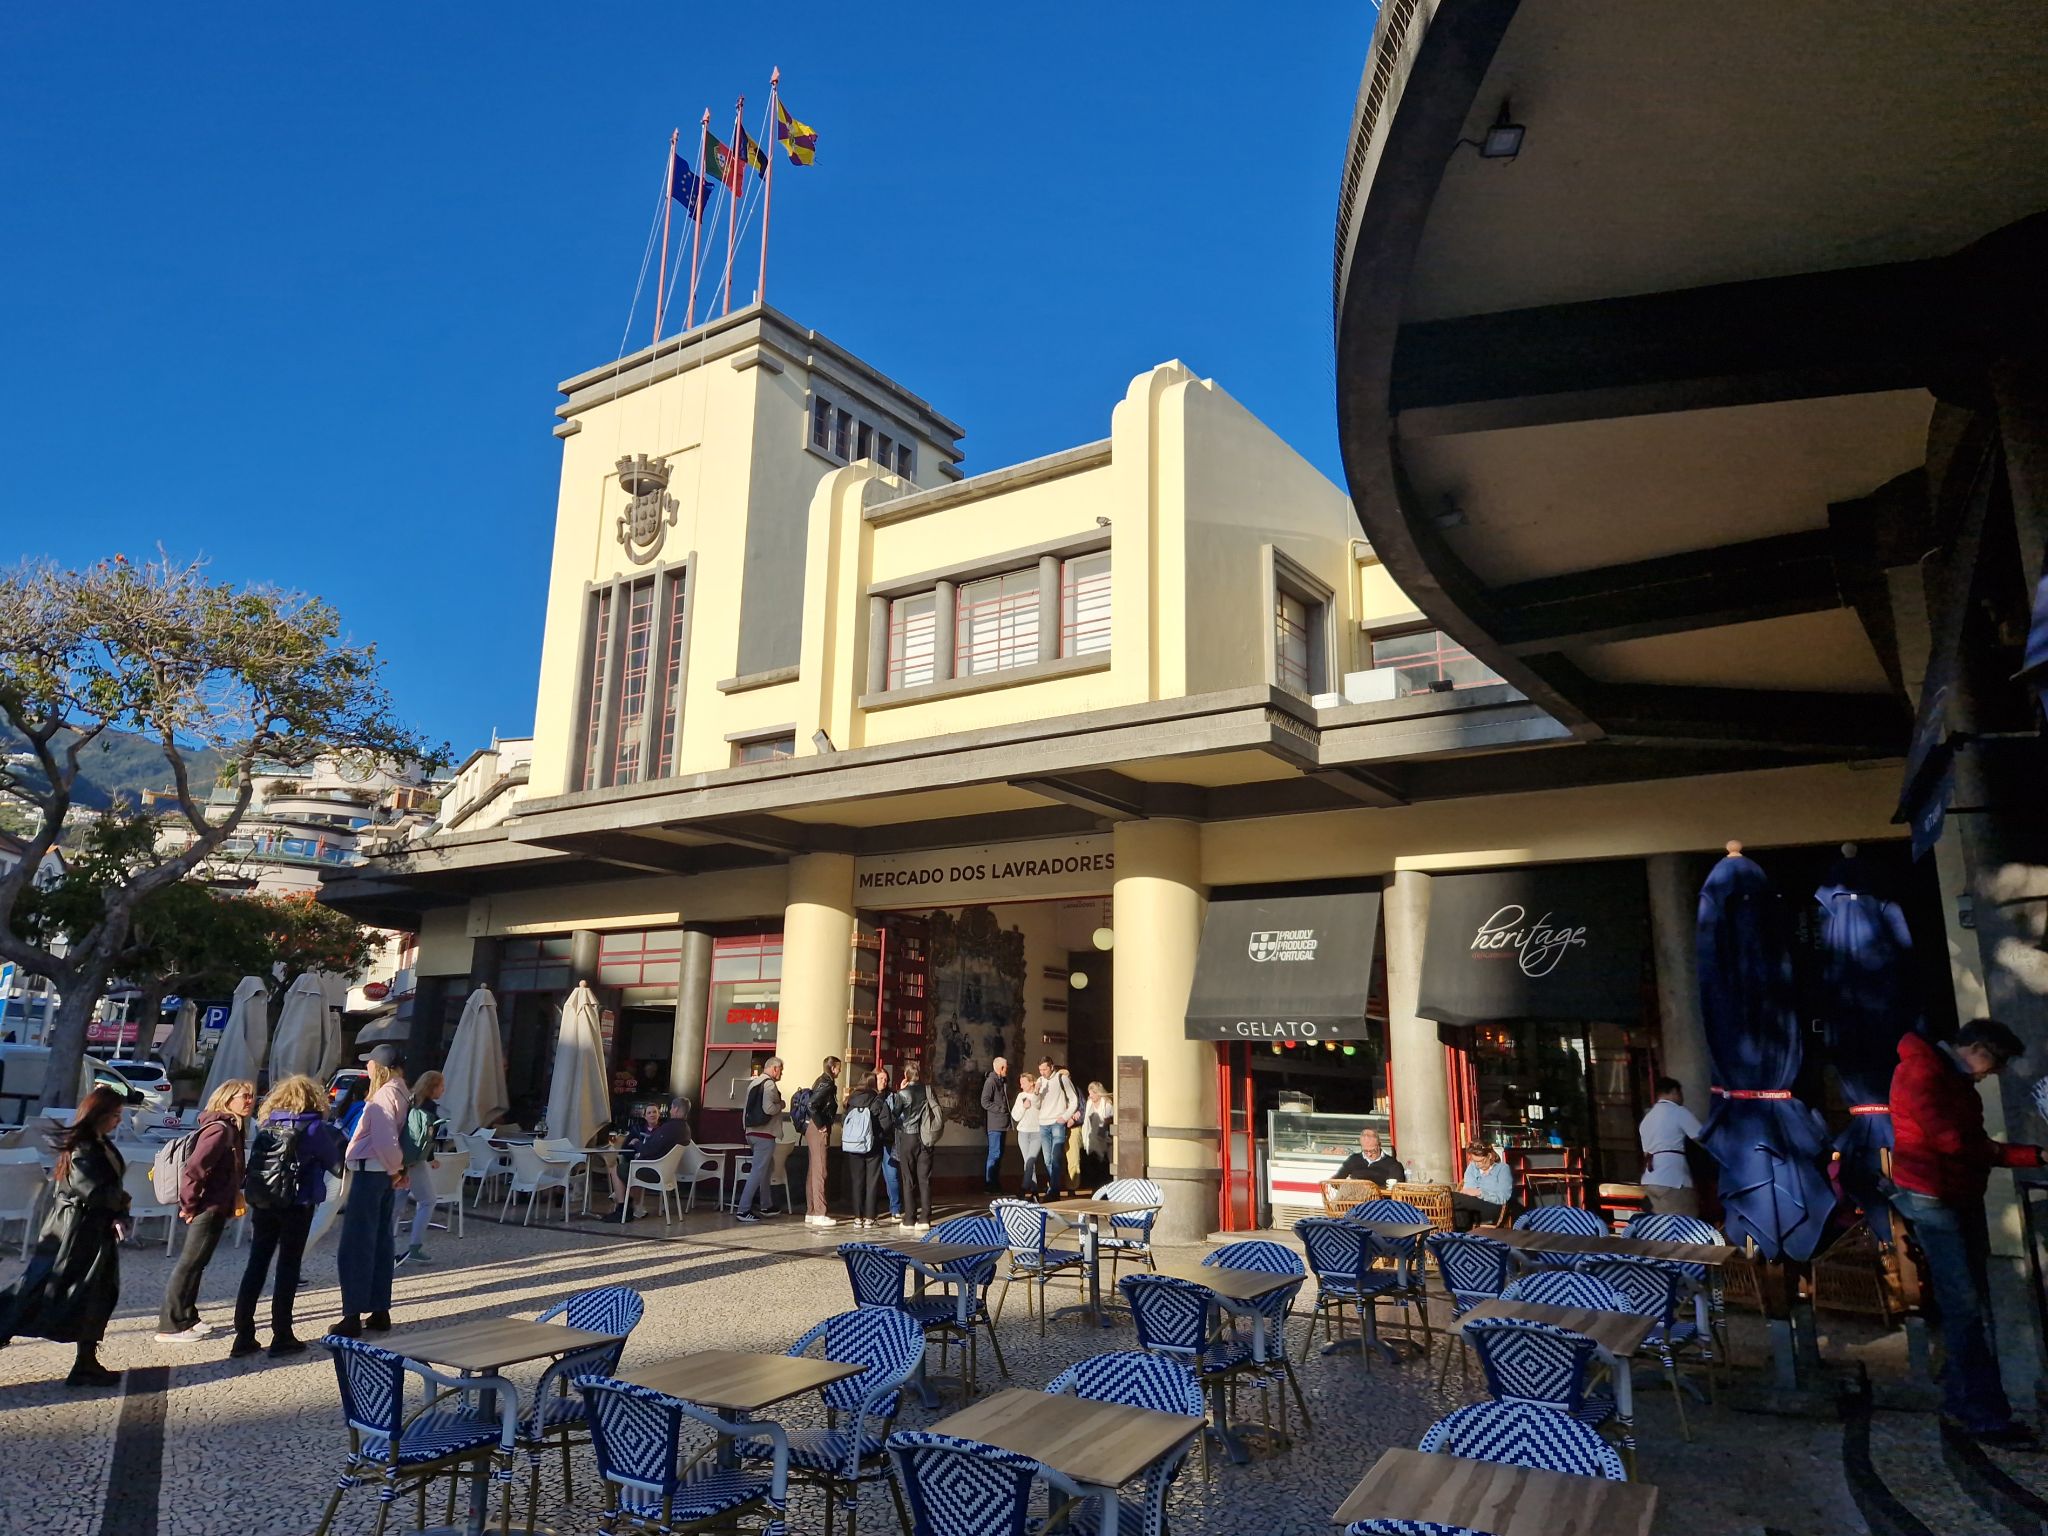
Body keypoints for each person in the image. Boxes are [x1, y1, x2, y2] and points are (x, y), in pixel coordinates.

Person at [1892, 1018, 2044, 1446]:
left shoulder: (1945, 1076)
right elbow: (1954, 1142)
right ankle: (1982, 1415)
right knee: (1963, 1307)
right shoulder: (1923, 1072)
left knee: (1966, 1304)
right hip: (1934, 1199)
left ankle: (1964, 1400)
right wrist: (2029, 1155)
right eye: (1994, 1063)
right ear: (1975, 1047)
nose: (1992, 1074)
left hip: (1952, 1197)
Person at [0, 1086, 132, 1385]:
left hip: (93, 1232)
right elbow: (94, 1191)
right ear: (99, 1114)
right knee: (38, 1291)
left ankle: (86, 1363)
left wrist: (119, 1208)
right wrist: (121, 1203)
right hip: (74, 1233)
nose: (118, 1121)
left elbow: (105, 1189)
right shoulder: (83, 1148)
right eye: (115, 1115)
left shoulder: (98, 1143)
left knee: (96, 1293)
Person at [233, 1073, 345, 1358]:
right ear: (312, 1098)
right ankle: (282, 1335)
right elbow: (335, 1165)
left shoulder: (267, 1125)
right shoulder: (313, 1128)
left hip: (265, 1202)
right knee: (287, 1268)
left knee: (256, 1265)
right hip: (297, 1204)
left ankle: (244, 1336)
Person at [155, 1078, 254, 1342]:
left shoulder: (233, 1129)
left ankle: (188, 1315)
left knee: (199, 1262)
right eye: (243, 1096)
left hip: (218, 1203)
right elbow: (194, 1168)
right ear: (227, 1099)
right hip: (207, 1205)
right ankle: (170, 1324)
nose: (249, 1101)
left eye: (251, 1096)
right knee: (189, 1263)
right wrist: (189, 1204)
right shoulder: (220, 1130)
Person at [335, 1044, 410, 1337]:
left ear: (380, 1067)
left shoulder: (382, 1096)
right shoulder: (402, 1091)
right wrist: (397, 1171)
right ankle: (380, 1309)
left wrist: (394, 1169)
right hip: (385, 1175)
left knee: (356, 1245)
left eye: (369, 1064)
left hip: (371, 1173)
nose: (366, 1067)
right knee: (380, 1242)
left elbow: (384, 1138)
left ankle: (352, 1314)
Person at [608, 1095, 694, 1221]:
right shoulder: (685, 1129)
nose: (670, 1111)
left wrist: (637, 1144)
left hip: (653, 1171)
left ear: (675, 1109)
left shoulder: (669, 1128)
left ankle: (623, 1210)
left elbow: (648, 1150)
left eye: (671, 1108)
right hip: (667, 1172)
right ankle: (629, 1202)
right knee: (630, 1167)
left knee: (615, 1169)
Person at [396, 1070, 444, 1266]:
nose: (444, 1089)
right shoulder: (430, 1107)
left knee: (395, 1205)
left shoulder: (409, 1100)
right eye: (441, 1086)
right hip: (415, 1160)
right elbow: (427, 1138)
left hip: (399, 1157)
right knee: (428, 1200)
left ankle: (385, 1246)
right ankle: (415, 1247)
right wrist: (431, 1158)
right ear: (432, 1087)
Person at [1638, 1076, 1705, 1216]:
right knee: (1685, 1225)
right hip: (1673, 1178)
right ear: (1674, 1092)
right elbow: (1702, 1137)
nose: (1682, 1099)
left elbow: (1647, 1152)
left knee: (1663, 1228)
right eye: (1681, 1094)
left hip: (1651, 1179)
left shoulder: (1647, 1118)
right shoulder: (1677, 1111)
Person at [840, 1070, 893, 1228]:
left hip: (853, 1145)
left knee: (857, 1181)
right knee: (872, 1181)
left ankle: (857, 1217)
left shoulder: (850, 1100)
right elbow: (887, 1122)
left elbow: (844, 1120)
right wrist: (879, 1134)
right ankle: (870, 1218)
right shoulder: (877, 1100)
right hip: (873, 1145)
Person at [734, 1063, 785, 1224]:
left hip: (752, 1132)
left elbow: (746, 1109)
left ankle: (766, 1205)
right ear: (774, 1068)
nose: (781, 1073)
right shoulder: (769, 1084)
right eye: (781, 1070)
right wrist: (781, 1105)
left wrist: (746, 1129)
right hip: (764, 1133)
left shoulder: (754, 1083)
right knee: (758, 1171)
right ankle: (743, 1209)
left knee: (765, 1169)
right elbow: (769, 1108)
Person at [891, 1061, 937, 1230]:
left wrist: (899, 1091)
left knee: (908, 1179)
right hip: (925, 1138)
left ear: (906, 1076)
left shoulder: (904, 1093)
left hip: (908, 1137)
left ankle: (909, 1219)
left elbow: (895, 1114)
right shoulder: (928, 1090)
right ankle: (925, 1218)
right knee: (924, 1179)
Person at [804, 1056, 843, 1228]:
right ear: (833, 1068)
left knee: (813, 1170)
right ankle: (820, 1213)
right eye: (838, 1067)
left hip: (811, 1128)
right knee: (820, 1170)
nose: (840, 1071)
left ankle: (812, 1211)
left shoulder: (820, 1081)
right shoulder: (827, 1084)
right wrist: (821, 1126)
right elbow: (812, 1104)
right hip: (817, 1128)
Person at [1035, 1057, 1080, 1200]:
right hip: (1043, 1122)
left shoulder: (1062, 1079)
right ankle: (1053, 1188)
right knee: (1047, 1159)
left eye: (1045, 1069)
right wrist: (1036, 1093)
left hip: (1057, 1122)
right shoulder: (1040, 1081)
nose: (1042, 1073)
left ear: (1051, 1067)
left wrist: (1065, 1116)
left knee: (1056, 1157)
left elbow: (1074, 1099)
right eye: (1040, 1070)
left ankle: (1054, 1191)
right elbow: (1036, 1105)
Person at [1449, 1142, 1514, 1230]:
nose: (1477, 1164)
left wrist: (1480, 1193)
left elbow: (1503, 1197)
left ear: (1489, 1156)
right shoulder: (1472, 1167)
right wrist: (1472, 1192)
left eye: (1480, 1161)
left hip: (1494, 1207)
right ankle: (1462, 1238)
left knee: (1452, 1197)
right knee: (1458, 1210)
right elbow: (1468, 1190)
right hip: (1472, 1206)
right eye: (1474, 1161)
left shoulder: (1503, 1169)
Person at [875, 1064, 903, 1224]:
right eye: (881, 1079)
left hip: (888, 1140)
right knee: (870, 1177)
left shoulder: (892, 1096)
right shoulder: (869, 1095)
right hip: (871, 1141)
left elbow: (899, 1115)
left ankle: (895, 1209)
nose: (884, 1082)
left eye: (886, 1079)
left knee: (892, 1176)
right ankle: (870, 1211)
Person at [980, 1056, 1012, 1193]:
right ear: (1001, 1068)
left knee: (999, 1154)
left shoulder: (1002, 1081)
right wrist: (1000, 1109)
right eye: (1006, 1067)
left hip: (1003, 1124)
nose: (1007, 1070)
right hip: (995, 1125)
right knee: (994, 1154)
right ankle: (989, 1184)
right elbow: (984, 1101)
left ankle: (995, 1183)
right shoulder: (991, 1082)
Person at [1012, 1071, 1045, 1199]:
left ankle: (1023, 1188)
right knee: (1028, 1162)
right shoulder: (1021, 1096)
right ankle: (1035, 1190)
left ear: (1032, 1083)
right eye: (1020, 1083)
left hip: (1037, 1132)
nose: (1021, 1086)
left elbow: (1040, 1108)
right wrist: (1023, 1107)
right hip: (1023, 1133)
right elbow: (1015, 1116)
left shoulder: (1039, 1095)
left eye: (1024, 1083)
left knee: (1030, 1161)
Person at [1334, 1127, 1405, 1186]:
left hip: (1377, 1200)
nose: (1369, 1154)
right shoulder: (1353, 1159)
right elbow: (1335, 1181)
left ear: (1379, 1145)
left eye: (1372, 1151)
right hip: (1353, 1198)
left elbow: (1397, 1189)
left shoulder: (1392, 1165)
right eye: (1365, 1151)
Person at [1080, 1081, 1115, 1189]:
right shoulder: (1090, 1103)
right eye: (1089, 1093)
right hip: (1092, 1137)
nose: (1090, 1096)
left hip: (1104, 1138)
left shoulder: (1107, 1104)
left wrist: (1105, 1123)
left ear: (1098, 1093)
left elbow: (1109, 1120)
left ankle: (1104, 1187)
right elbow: (1086, 1120)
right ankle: (1095, 1188)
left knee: (1103, 1164)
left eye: (1092, 1093)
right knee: (1092, 1164)